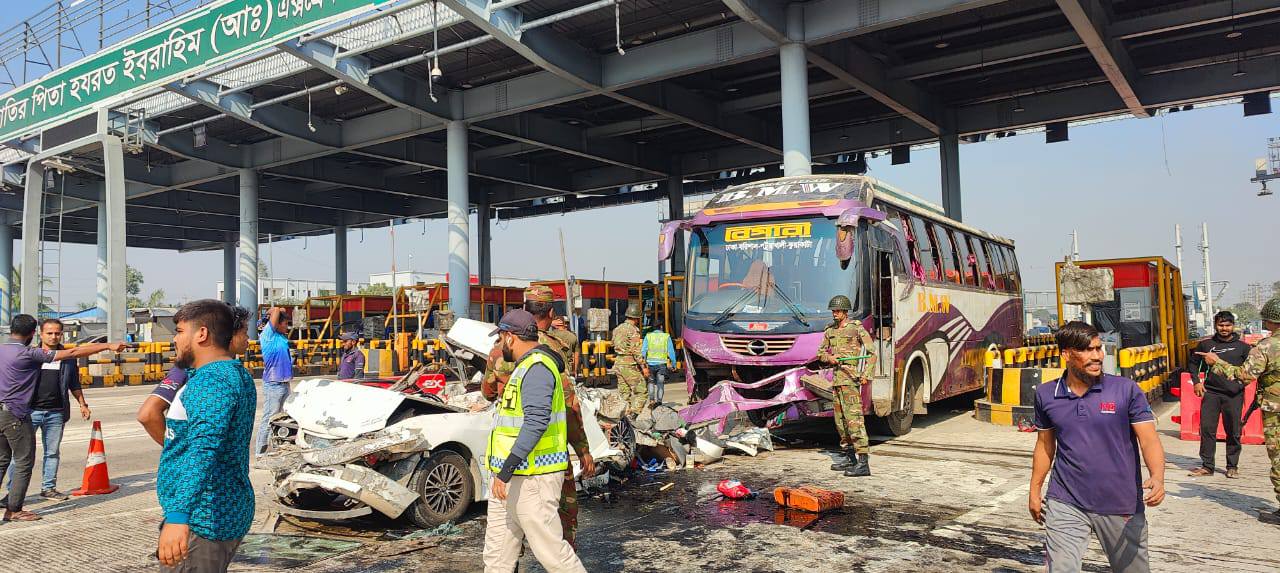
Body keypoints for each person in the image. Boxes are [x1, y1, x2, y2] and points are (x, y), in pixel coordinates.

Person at [1029, 321, 1166, 573]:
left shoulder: (1126, 390)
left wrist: (1157, 476)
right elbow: (1045, 446)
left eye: (1099, 348)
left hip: (1121, 502)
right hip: (1065, 501)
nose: (1097, 356)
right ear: (1066, 354)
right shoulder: (1047, 395)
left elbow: (1149, 440)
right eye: (1088, 350)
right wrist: (1035, 490)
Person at [481, 285, 593, 548]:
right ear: (551, 312)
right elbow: (570, 405)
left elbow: (487, 392)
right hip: (547, 457)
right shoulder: (555, 349)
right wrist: (583, 450)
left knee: (507, 529)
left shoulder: (500, 349)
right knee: (560, 525)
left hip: (508, 454)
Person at [156, 300, 256, 571]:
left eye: (179, 331)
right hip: (211, 510)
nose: (174, 339)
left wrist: (178, 517)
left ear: (201, 334)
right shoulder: (225, 374)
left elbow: (203, 449)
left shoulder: (213, 381)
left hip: (204, 517)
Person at [0, 314, 124, 522]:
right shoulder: (29, 354)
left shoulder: (2, 350)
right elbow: (74, 352)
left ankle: (28, 496)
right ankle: (14, 509)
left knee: (2, 459)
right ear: (34, 334)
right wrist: (108, 346)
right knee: (23, 461)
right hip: (16, 414)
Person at [1200, 297, 1280, 525]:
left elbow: (1244, 376)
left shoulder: (1266, 346)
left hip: (1275, 411)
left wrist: (1216, 362)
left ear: (1271, 320)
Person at [2, 319, 92, 501]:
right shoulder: (31, 354)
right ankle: (12, 494)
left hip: (56, 412)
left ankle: (48, 487)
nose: (53, 336)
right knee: (18, 456)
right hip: (28, 412)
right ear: (39, 334)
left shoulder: (66, 358)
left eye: (57, 333)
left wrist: (82, 404)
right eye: (49, 333)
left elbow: (74, 383)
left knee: (52, 452)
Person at [139, 305, 251, 446]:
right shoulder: (189, 368)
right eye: (244, 332)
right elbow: (148, 414)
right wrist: (177, 451)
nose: (248, 338)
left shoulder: (231, 372)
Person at [816, 295, 876, 477]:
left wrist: (867, 375)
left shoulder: (856, 328)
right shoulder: (830, 331)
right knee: (841, 422)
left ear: (845, 311)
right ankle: (849, 457)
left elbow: (872, 353)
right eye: (833, 311)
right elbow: (820, 353)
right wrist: (829, 358)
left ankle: (863, 463)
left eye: (838, 311)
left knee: (854, 421)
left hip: (850, 380)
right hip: (837, 380)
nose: (835, 314)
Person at [1187, 311, 1251, 478]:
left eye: (1228, 325)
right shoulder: (1206, 345)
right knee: (1207, 429)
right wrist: (1196, 382)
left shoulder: (1244, 347)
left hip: (1234, 395)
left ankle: (1232, 466)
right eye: (1221, 325)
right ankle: (1207, 466)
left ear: (1233, 326)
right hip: (1211, 393)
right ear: (1215, 325)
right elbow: (1193, 364)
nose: (1224, 328)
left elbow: (1250, 372)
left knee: (1233, 430)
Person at [255, 306, 293, 455]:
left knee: (280, 418)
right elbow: (277, 310)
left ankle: (274, 448)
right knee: (269, 418)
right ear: (277, 324)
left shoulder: (281, 337)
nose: (287, 327)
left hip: (284, 382)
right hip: (273, 384)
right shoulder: (268, 335)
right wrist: (275, 311)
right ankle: (260, 452)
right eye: (285, 324)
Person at [611, 304, 648, 416]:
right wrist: (644, 367)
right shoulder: (633, 330)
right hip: (629, 365)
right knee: (641, 391)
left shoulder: (617, 329)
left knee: (624, 393)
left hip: (618, 363)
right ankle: (633, 415)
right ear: (637, 318)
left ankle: (622, 417)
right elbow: (636, 350)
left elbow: (613, 343)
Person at [640, 325, 676, 407]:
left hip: (650, 364)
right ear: (661, 327)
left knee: (651, 382)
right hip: (661, 364)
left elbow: (643, 351)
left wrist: (643, 364)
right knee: (660, 383)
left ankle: (652, 401)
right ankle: (659, 402)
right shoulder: (666, 336)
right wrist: (673, 364)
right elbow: (671, 351)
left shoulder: (648, 336)